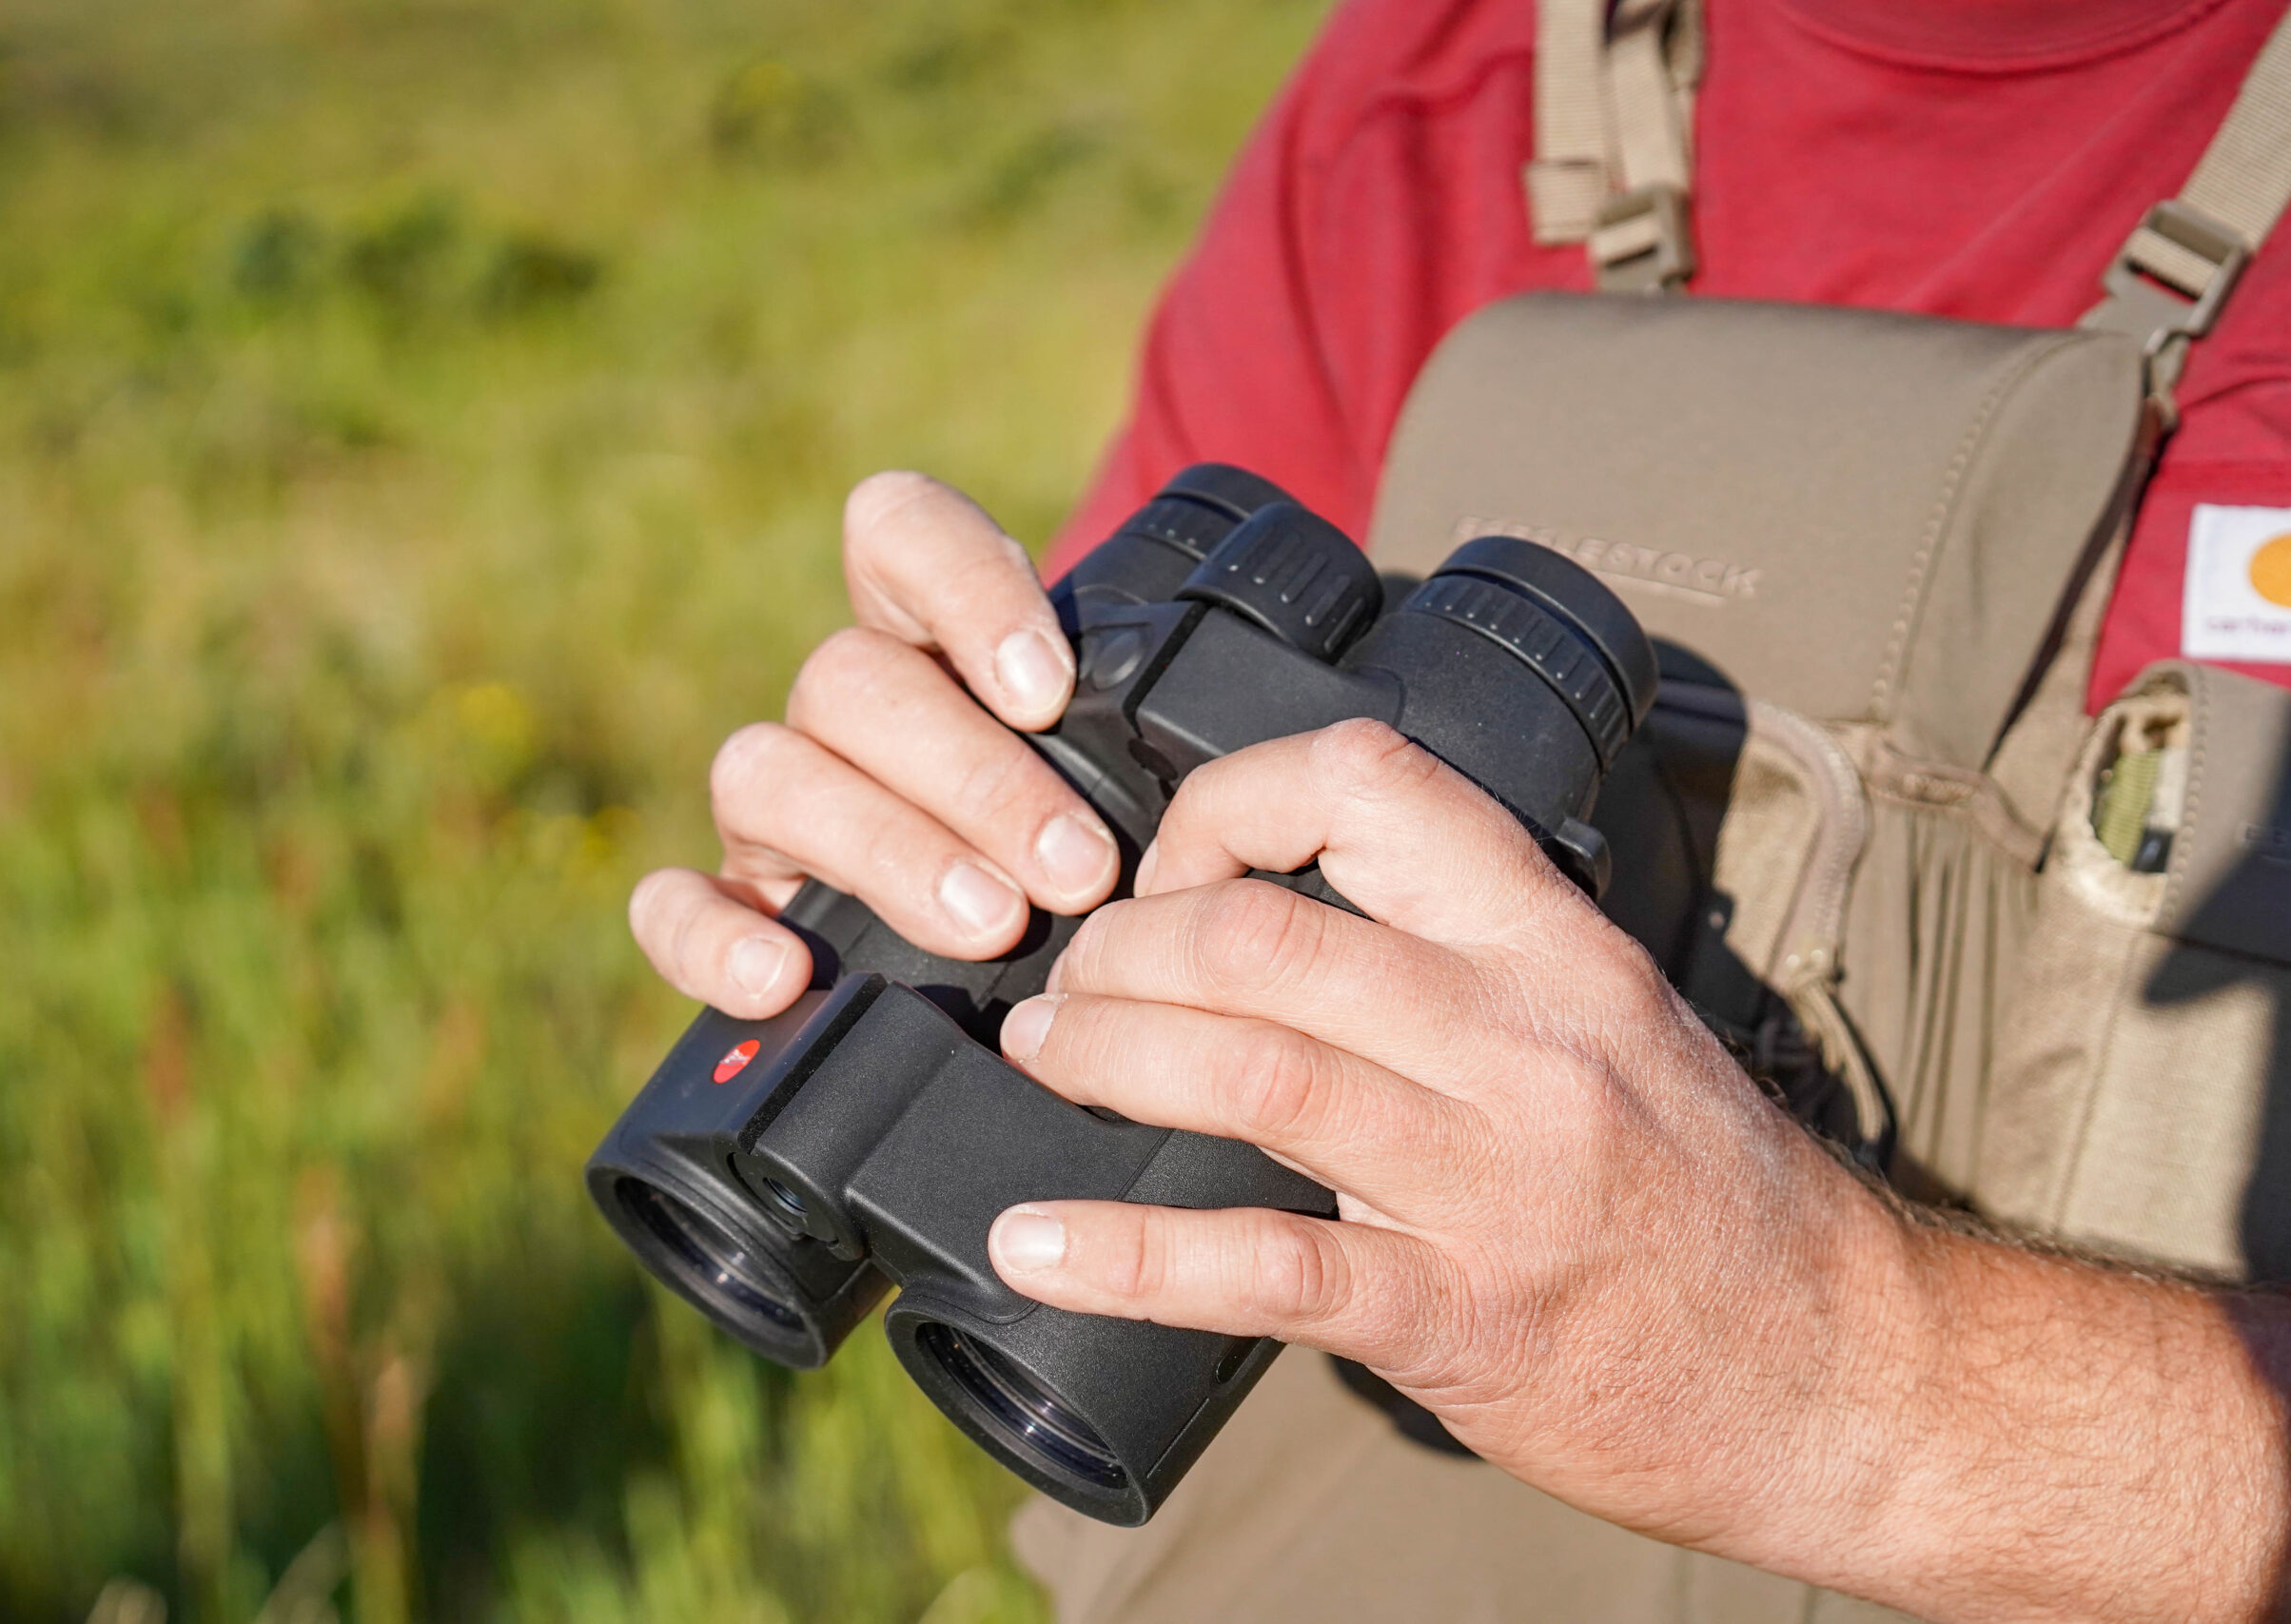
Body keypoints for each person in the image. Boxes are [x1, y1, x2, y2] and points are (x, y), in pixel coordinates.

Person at [629, 0, 2291, 1617]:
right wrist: (919, 884)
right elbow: (1116, 693)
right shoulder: (1432, 85)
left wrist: (1852, 1383)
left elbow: (1840, 1385)